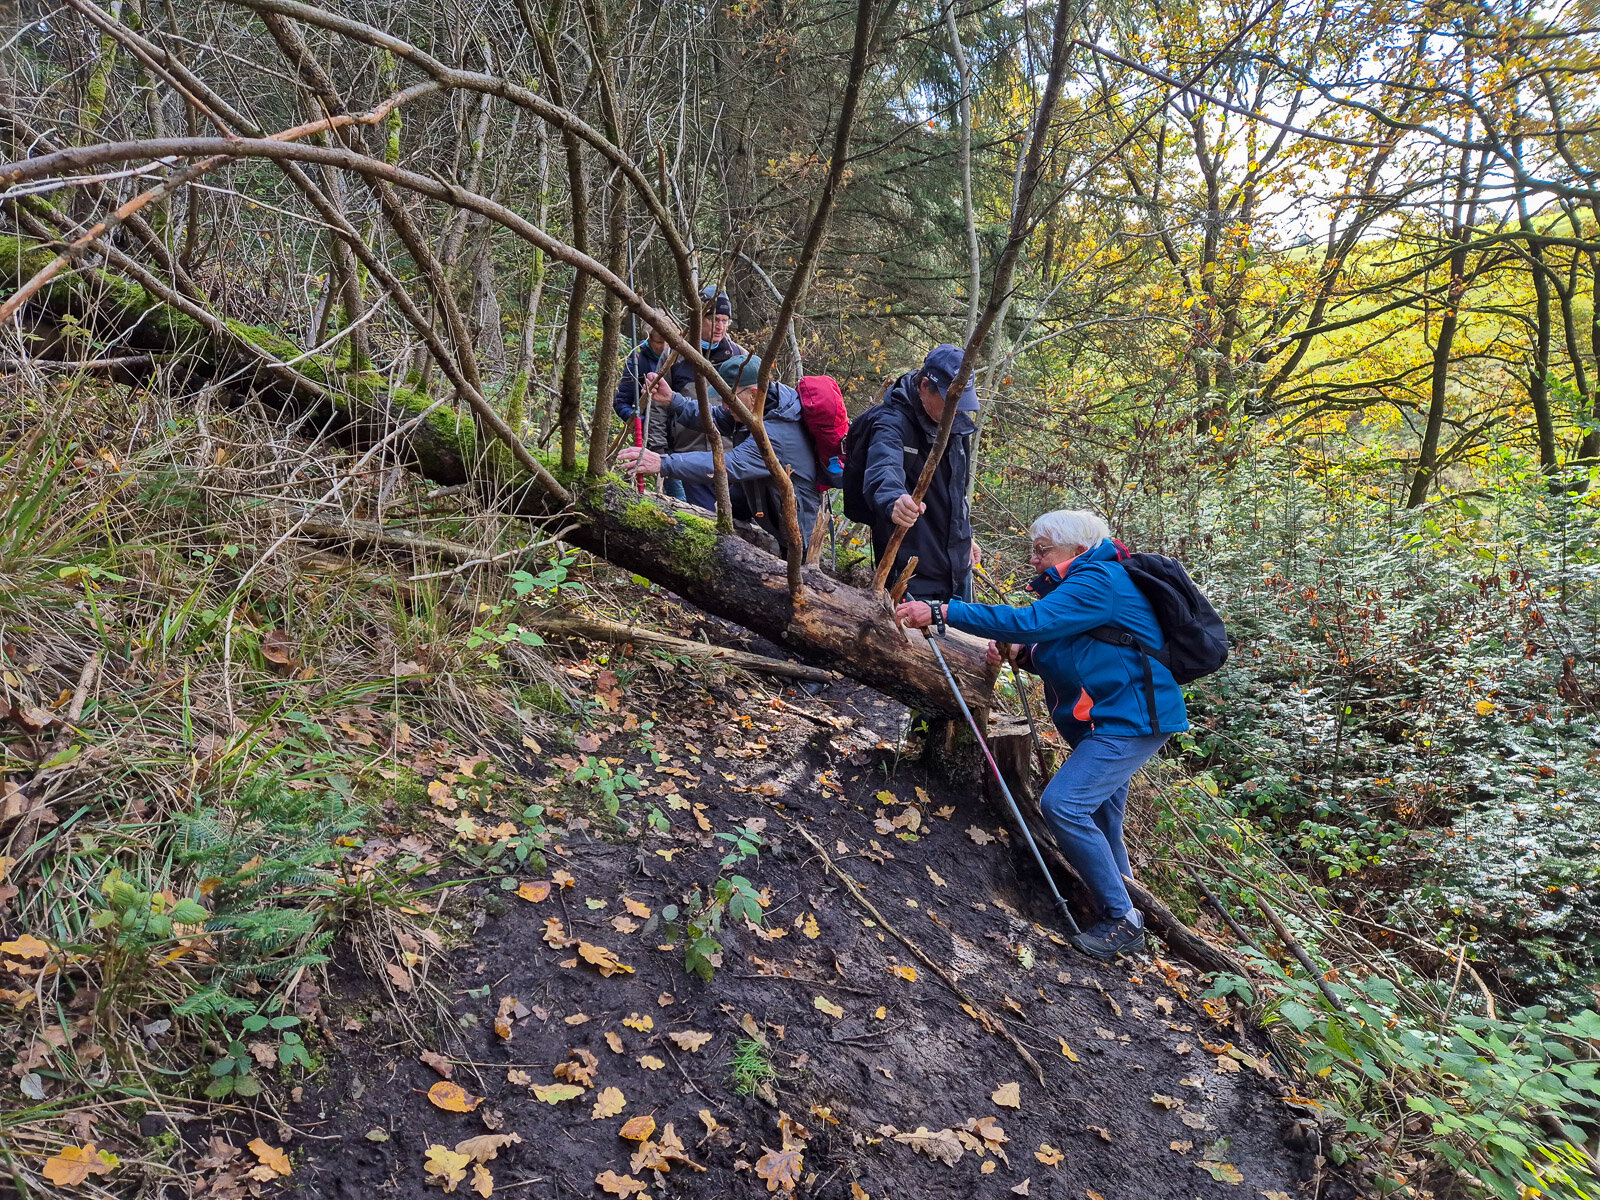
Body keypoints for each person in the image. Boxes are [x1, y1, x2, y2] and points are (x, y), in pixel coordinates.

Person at [894, 510, 1188, 961]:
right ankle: (1120, 901)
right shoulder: (1081, 585)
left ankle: (1123, 919)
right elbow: (1069, 645)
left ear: (1078, 549)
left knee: (1064, 805)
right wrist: (1023, 653)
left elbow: (1032, 621)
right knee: (1104, 817)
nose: (1033, 558)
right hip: (1111, 720)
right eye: (1034, 549)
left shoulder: (1100, 580)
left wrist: (941, 610)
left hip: (1132, 722)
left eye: (1042, 549)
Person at [618, 353, 819, 554]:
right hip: (767, 508)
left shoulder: (777, 431)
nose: (723, 405)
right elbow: (713, 417)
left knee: (794, 579)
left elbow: (728, 464)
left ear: (754, 394)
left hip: (797, 530)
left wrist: (663, 463)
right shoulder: (760, 407)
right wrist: (672, 400)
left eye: (729, 398)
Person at [861, 343, 981, 600]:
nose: (958, 410)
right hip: (914, 572)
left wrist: (964, 535)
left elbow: (957, 491)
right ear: (925, 386)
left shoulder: (957, 424)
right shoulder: (891, 421)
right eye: (951, 400)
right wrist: (894, 500)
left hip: (959, 566)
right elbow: (883, 468)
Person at [665, 286, 746, 510]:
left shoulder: (739, 357)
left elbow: (752, 406)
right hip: (686, 456)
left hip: (729, 457)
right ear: (699, 318)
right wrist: (658, 449)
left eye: (725, 320)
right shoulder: (675, 354)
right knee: (693, 519)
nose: (720, 327)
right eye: (714, 319)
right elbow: (658, 408)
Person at [611, 325, 686, 501]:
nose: (665, 346)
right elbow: (621, 402)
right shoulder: (638, 360)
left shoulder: (682, 356)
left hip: (685, 436)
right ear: (650, 338)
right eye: (660, 342)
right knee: (680, 496)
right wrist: (644, 422)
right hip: (660, 441)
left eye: (669, 341)